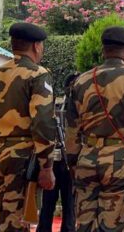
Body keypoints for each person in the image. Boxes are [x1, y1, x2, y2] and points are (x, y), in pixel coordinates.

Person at [64, 26, 124, 231]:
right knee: (111, 227)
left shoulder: (81, 81)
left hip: (86, 160)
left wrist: (73, 164)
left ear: (103, 50)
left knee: (84, 226)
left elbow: (71, 129)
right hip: (121, 162)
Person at [0, 22, 57, 231]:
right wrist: (46, 165)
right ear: (37, 46)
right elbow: (43, 122)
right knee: (15, 219)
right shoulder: (38, 74)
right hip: (20, 155)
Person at [38, 73, 78, 232]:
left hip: (72, 162)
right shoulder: (57, 105)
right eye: (73, 85)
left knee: (69, 203)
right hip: (54, 162)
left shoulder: (84, 106)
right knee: (48, 202)